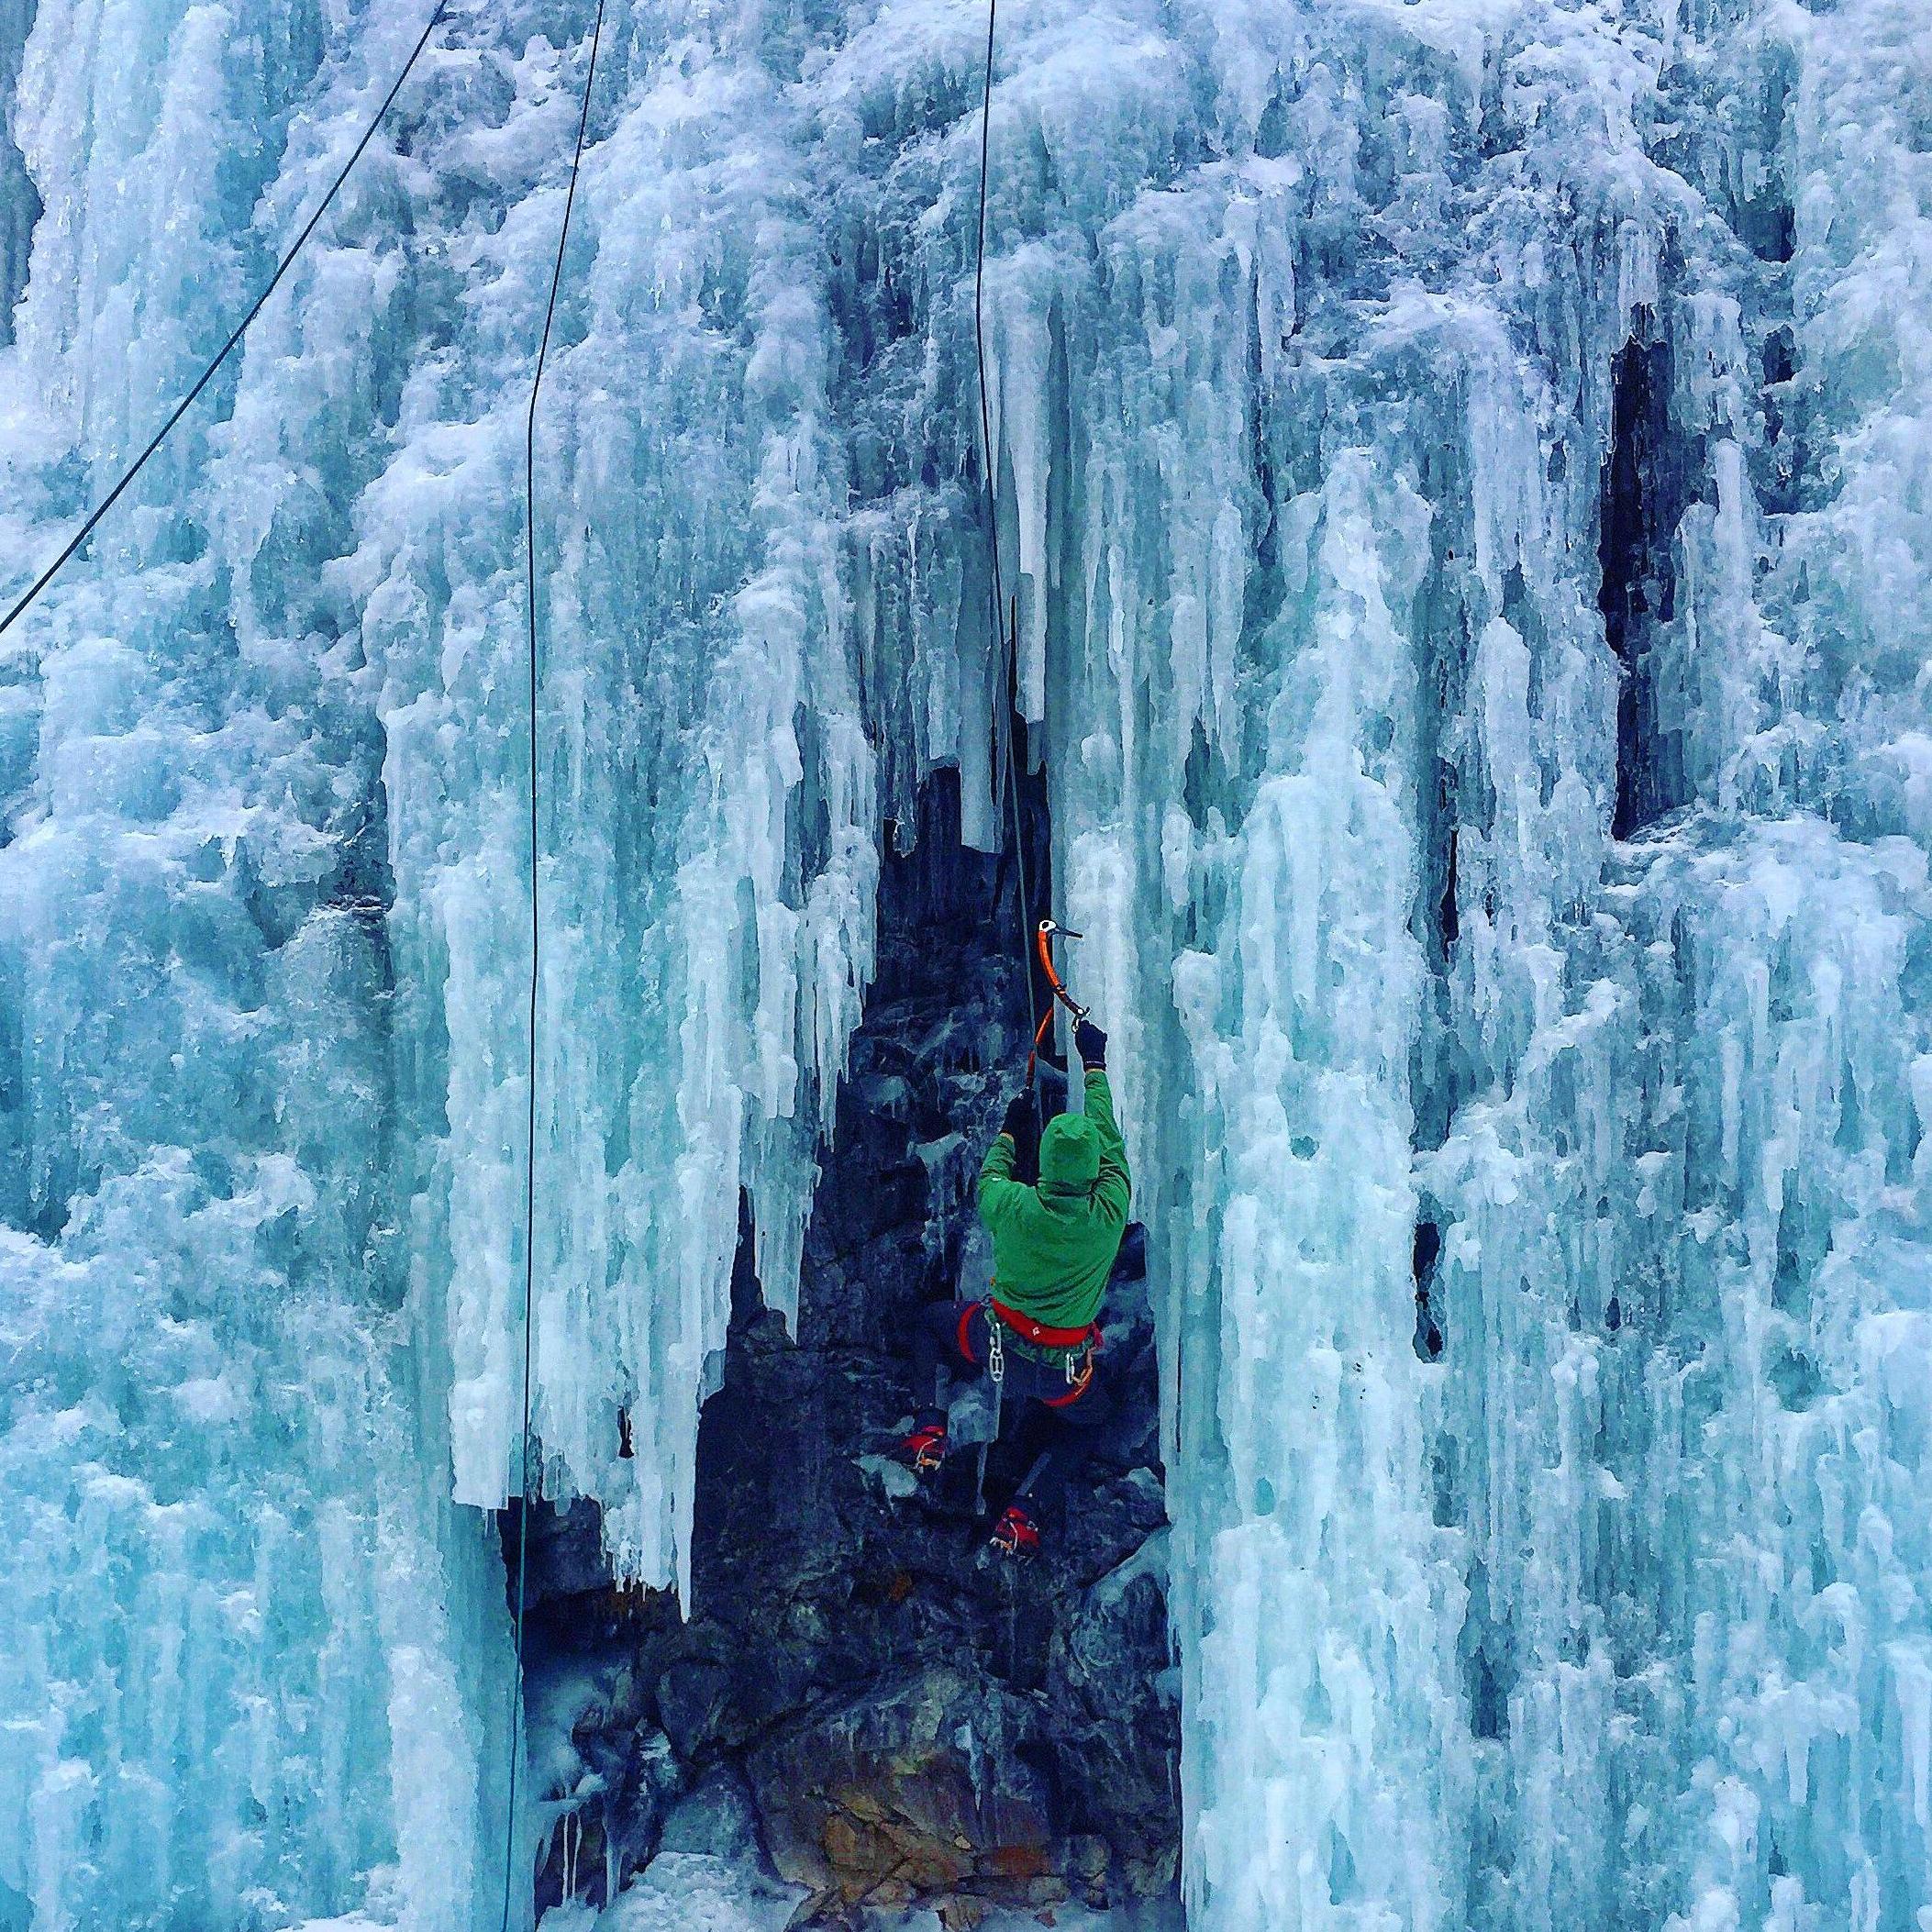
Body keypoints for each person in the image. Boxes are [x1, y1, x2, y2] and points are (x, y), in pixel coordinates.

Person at [898, 1017, 1132, 1558]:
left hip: (992, 1344)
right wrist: (1093, 1065)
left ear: (1045, 1165)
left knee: (933, 1327)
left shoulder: (1015, 1206)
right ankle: (1025, 1509)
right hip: (1062, 1375)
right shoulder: (1108, 1213)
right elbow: (1112, 1140)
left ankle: (931, 1424)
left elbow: (989, 1180)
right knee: (1091, 1423)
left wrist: (1011, 1132)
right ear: (1095, 1169)